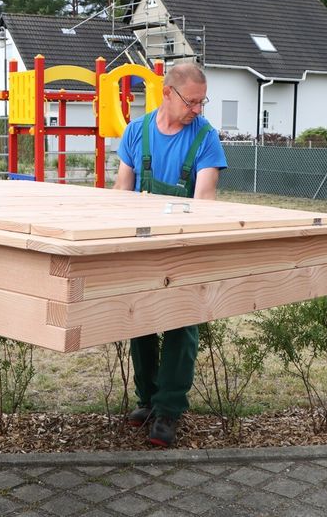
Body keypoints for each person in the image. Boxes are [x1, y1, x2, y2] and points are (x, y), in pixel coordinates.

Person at [113, 62, 227, 447]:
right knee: (139, 321)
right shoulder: (136, 131)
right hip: (142, 246)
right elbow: (121, 192)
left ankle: (168, 411)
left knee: (181, 326)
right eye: (192, 101)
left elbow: (204, 201)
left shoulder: (206, 138)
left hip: (185, 246)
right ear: (168, 94)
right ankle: (146, 400)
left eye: (201, 101)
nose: (198, 109)